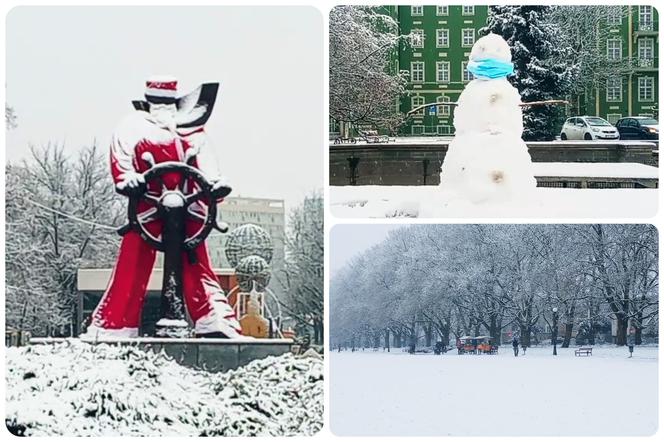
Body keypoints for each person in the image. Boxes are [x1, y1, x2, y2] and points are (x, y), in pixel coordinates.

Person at [81, 76, 241, 339]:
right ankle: (115, 324)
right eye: (160, 102)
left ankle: (213, 318)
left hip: (188, 214)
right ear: (149, 102)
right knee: (132, 263)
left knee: (197, 263)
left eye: (168, 102)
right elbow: (121, 159)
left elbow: (208, 167)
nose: (164, 108)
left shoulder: (192, 132)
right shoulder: (133, 126)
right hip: (146, 210)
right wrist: (126, 178)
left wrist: (214, 184)